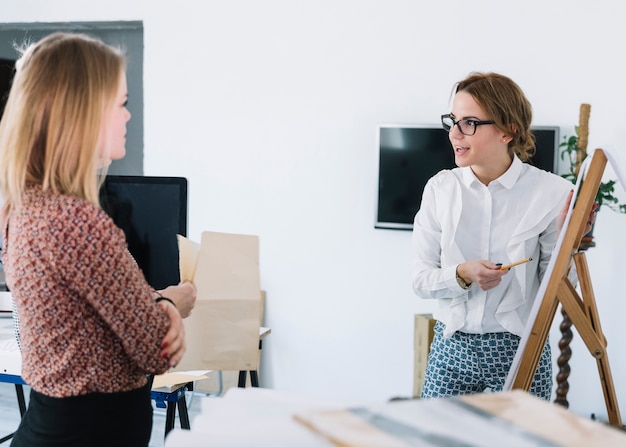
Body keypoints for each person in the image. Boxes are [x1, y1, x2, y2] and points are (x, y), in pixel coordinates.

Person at [0, 32, 187, 447]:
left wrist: (158, 304)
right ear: (81, 113)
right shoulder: (78, 222)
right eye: (120, 104)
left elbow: (94, 322)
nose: (128, 116)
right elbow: (156, 352)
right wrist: (172, 305)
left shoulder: (26, 205)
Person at [412, 72, 592, 401]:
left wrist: (571, 240)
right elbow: (420, 280)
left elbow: (556, 288)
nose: (454, 133)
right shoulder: (440, 189)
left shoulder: (552, 193)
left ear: (508, 130)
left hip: (521, 349)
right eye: (452, 120)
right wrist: (461, 274)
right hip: (451, 347)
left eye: (468, 122)